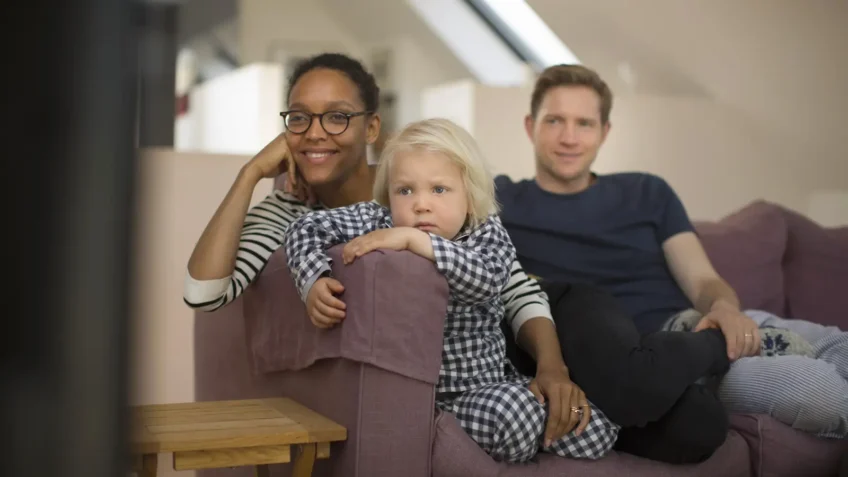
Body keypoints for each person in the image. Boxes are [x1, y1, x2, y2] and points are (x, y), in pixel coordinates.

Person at [183, 53, 595, 450]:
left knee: (599, 329)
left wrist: (551, 367)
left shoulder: (416, 174)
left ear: (371, 128)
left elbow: (512, 285)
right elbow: (203, 294)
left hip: (515, 336)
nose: (314, 132)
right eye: (299, 118)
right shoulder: (289, 210)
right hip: (455, 382)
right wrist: (250, 173)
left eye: (337, 116)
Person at [496, 63, 848, 463]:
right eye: (554, 120)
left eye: (584, 124)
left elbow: (702, 280)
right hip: (655, 366)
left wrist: (725, 310)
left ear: (605, 132)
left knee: (840, 346)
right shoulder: (501, 204)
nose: (569, 138)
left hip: (697, 325)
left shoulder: (648, 192)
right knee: (819, 392)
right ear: (530, 126)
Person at [283, 118, 619, 463]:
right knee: (515, 414)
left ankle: (507, 433)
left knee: (594, 431)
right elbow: (303, 227)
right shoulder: (380, 220)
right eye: (405, 190)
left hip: (487, 385)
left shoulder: (485, 231)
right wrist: (312, 281)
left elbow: (486, 282)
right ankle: (470, 433)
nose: (420, 204)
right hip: (425, 399)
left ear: (471, 198)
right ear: (388, 196)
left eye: (439, 190)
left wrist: (418, 241)